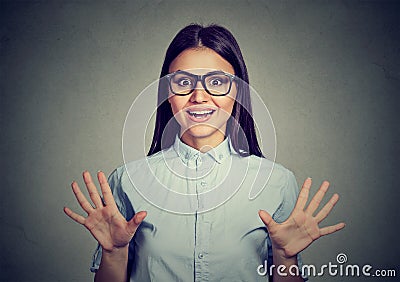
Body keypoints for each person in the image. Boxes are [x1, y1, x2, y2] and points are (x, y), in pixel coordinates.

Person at [64, 24, 345, 282]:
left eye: (217, 82)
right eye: (183, 82)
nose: (199, 96)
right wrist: (113, 254)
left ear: (237, 91)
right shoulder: (127, 181)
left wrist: (286, 258)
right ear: (167, 92)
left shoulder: (277, 182)